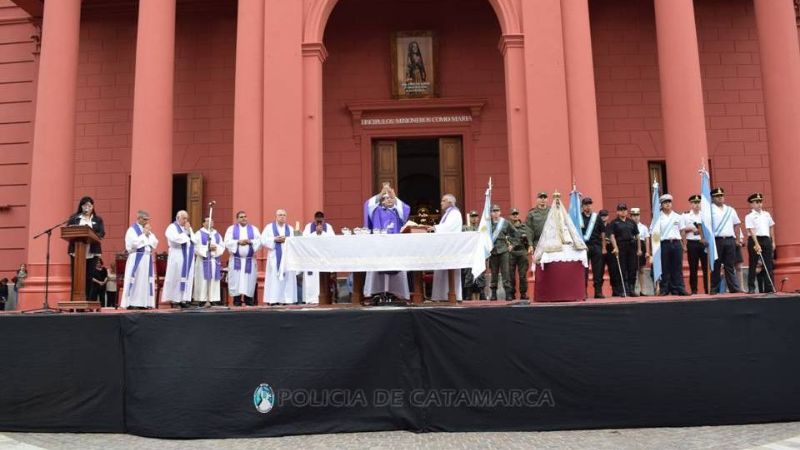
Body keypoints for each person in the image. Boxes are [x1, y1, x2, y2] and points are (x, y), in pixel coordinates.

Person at [363, 185, 411, 301]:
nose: (389, 200)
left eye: (391, 198)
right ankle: (377, 292)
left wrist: (395, 197)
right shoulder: (376, 210)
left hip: (395, 247)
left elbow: (406, 209)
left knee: (396, 267)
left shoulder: (398, 212)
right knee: (378, 267)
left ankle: (396, 293)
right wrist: (380, 194)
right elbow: (367, 205)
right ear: (381, 201)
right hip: (379, 246)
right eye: (386, 198)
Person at [650, 195, 689, 296]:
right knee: (665, 267)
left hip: (676, 243)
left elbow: (682, 231)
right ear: (661, 205)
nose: (668, 204)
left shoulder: (677, 216)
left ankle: (679, 288)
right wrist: (655, 248)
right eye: (665, 202)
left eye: (669, 202)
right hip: (664, 244)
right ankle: (664, 289)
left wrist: (684, 245)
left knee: (677, 267)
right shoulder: (657, 217)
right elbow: (654, 233)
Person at [67, 196, 105, 299]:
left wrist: (92, 233)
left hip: (92, 251)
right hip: (77, 251)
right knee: (76, 277)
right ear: (81, 206)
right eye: (85, 205)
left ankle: (86, 300)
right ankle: (74, 301)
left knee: (89, 277)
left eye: (89, 205)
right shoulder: (74, 218)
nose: (87, 207)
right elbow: (68, 231)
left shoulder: (98, 220)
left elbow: (101, 233)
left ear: (92, 207)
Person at [427, 194, 463, 300]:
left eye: (443, 201)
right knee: (441, 272)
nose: (441, 203)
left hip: (451, 248)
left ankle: (451, 296)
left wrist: (434, 227)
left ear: (450, 202)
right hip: (445, 248)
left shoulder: (455, 213)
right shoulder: (448, 213)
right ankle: (441, 296)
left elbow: (448, 227)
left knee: (449, 273)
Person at [121, 210, 158, 309]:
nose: (147, 222)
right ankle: (132, 303)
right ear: (139, 218)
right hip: (136, 257)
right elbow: (133, 244)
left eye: (148, 220)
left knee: (145, 281)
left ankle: (144, 303)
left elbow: (154, 242)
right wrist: (144, 236)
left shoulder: (147, 231)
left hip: (147, 258)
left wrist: (147, 235)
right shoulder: (132, 230)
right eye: (145, 219)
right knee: (136, 280)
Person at [710, 187, 743, 294]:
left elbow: (737, 224)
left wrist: (737, 239)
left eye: (721, 196)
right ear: (713, 198)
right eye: (717, 196)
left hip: (729, 239)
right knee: (716, 265)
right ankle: (714, 288)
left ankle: (734, 288)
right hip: (717, 240)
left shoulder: (730, 209)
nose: (720, 198)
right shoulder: (709, 210)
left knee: (730, 265)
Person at [224, 211, 261, 306]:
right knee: (237, 280)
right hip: (237, 260)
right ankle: (237, 300)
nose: (244, 218)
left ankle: (248, 300)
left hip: (249, 260)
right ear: (237, 219)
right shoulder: (231, 229)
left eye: (245, 216)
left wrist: (250, 241)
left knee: (249, 279)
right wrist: (238, 242)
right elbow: (227, 241)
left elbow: (259, 241)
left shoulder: (254, 229)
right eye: (241, 217)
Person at [262, 209, 297, 305]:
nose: (282, 217)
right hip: (274, 257)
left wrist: (287, 239)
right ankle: (274, 299)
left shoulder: (290, 228)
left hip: (287, 257)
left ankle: (287, 299)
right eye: (280, 215)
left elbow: (294, 241)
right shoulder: (269, 227)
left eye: (284, 215)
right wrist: (274, 239)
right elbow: (263, 240)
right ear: (276, 216)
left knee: (287, 276)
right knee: (275, 277)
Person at [745, 192, 776, 293]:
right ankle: (751, 287)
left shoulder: (766, 214)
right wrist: (756, 243)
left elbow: (771, 227)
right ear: (752, 204)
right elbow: (751, 230)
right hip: (755, 240)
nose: (759, 204)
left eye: (760, 202)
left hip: (766, 239)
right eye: (757, 202)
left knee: (768, 264)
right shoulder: (749, 216)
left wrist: (773, 241)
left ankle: (769, 287)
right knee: (753, 264)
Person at [607, 203, 640, 297]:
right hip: (621, 246)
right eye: (621, 210)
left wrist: (638, 248)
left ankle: (631, 289)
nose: (623, 211)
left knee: (632, 268)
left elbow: (637, 235)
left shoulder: (631, 222)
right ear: (617, 211)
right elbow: (612, 236)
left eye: (625, 209)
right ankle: (623, 289)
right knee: (622, 268)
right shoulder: (614, 223)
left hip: (631, 246)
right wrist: (615, 247)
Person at [163, 210, 195, 308]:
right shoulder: (172, 227)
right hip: (177, 254)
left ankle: (184, 299)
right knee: (176, 276)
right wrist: (186, 232)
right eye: (184, 218)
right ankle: (175, 300)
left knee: (187, 277)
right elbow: (175, 239)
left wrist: (188, 231)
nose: (186, 220)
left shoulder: (188, 228)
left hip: (187, 255)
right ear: (177, 218)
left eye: (187, 218)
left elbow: (193, 239)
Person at [302, 211, 335, 304]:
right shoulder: (308, 227)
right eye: (317, 220)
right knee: (311, 279)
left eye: (321, 220)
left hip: (323, 257)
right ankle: (311, 299)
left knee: (322, 278)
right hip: (311, 257)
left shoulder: (328, 227)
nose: (319, 222)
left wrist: (322, 233)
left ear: (323, 219)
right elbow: (304, 239)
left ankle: (323, 297)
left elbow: (333, 240)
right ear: (314, 219)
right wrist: (315, 233)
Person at [193, 217, 226, 305]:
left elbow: (222, 246)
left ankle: (213, 299)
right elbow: (195, 247)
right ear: (203, 223)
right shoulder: (198, 234)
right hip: (202, 261)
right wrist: (207, 248)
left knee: (214, 280)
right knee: (203, 280)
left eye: (211, 221)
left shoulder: (217, 234)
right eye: (208, 221)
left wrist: (216, 248)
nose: (210, 222)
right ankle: (202, 299)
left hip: (214, 260)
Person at [487, 204, 516, 300]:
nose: (496, 213)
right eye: (494, 211)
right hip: (492, 251)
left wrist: (512, 244)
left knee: (506, 273)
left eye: (497, 211)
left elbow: (515, 233)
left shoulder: (505, 223)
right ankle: (494, 293)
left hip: (504, 250)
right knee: (494, 273)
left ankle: (508, 293)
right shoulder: (487, 223)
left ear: (500, 212)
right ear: (491, 213)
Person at [683, 194, 708, 294]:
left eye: (698, 202)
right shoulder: (686, 215)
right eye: (694, 203)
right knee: (693, 267)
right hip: (692, 243)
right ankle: (694, 290)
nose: (697, 205)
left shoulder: (705, 215)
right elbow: (681, 229)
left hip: (703, 243)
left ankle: (708, 289)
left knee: (706, 267)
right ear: (691, 204)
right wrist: (690, 229)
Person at [580, 198, 606, 299]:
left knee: (598, 270)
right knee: (584, 270)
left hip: (596, 246)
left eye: (590, 204)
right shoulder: (579, 217)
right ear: (582, 206)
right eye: (586, 204)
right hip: (584, 247)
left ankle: (598, 291)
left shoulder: (597, 217)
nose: (588, 206)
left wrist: (603, 247)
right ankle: (583, 291)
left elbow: (603, 232)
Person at [462, 210, 487, 299]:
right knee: (468, 274)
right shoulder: (465, 228)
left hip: (479, 253)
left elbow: (486, 240)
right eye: (472, 216)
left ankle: (482, 293)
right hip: (469, 254)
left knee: (480, 273)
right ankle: (468, 294)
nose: (474, 218)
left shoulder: (482, 228)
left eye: (476, 216)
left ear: (478, 218)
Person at [508, 208, 530, 300]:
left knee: (522, 275)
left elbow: (527, 238)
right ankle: (511, 293)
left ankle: (523, 293)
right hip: (511, 253)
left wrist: (529, 246)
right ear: (510, 216)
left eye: (516, 214)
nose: (515, 215)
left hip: (521, 252)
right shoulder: (506, 227)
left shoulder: (523, 226)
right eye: (513, 214)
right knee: (511, 275)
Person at [630, 208, 651, 296]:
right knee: (632, 270)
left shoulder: (644, 227)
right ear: (631, 216)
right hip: (631, 247)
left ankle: (642, 290)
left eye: (637, 215)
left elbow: (647, 240)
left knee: (641, 269)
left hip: (641, 247)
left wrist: (647, 252)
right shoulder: (628, 225)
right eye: (634, 216)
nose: (636, 218)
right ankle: (633, 290)